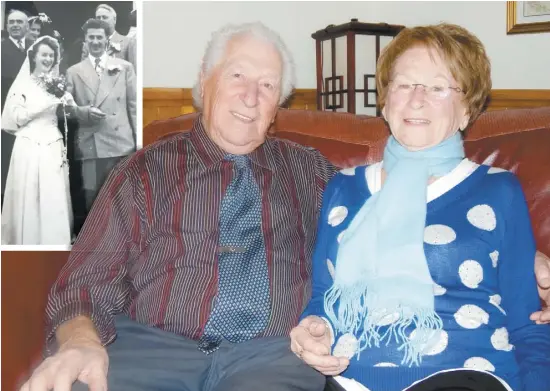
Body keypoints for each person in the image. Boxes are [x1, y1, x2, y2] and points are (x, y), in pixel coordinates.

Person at [20, 22, 550, 391]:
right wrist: (81, 341)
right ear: (205, 85)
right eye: (238, 76)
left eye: (268, 85)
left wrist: (527, 259)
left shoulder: (317, 175)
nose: (252, 95)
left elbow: (398, 219)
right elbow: (85, 279)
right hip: (152, 347)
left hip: (270, 358)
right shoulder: (145, 170)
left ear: (280, 105)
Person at [291, 23, 550, 391]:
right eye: (404, 84)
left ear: (466, 111)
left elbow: (529, 326)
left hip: (464, 374)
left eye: (438, 87)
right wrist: (313, 331)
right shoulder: (342, 188)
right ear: (385, 101)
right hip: (352, 380)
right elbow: (323, 300)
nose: (416, 99)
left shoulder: (498, 190)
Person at [1, 35, 73, 245]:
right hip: (29, 143)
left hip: (52, 142)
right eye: (44, 54)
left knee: (52, 193)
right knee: (29, 192)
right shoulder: (22, 84)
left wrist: (67, 103)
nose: (48, 59)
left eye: (51, 55)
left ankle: (54, 242)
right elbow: (17, 118)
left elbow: (64, 114)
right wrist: (45, 103)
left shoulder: (56, 84)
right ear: (34, 57)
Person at [65, 18, 136, 218]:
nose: (95, 41)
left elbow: (134, 106)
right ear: (85, 41)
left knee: (120, 197)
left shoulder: (124, 67)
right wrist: (83, 111)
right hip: (90, 143)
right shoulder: (73, 72)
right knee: (92, 197)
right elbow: (66, 109)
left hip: (120, 143)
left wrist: (138, 141)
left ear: (106, 40)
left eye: (99, 37)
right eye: (91, 38)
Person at [2, 10, 32, 205]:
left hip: (31, 115)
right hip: (6, 114)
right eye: (11, 22)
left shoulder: (34, 48)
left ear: (27, 26)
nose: (14, 25)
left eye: (19, 22)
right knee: (6, 160)